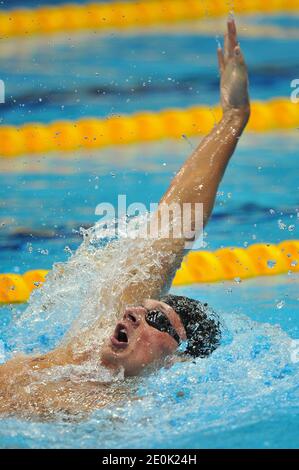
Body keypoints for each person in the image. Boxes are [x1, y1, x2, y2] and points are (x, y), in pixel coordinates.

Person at [0, 18, 250, 418]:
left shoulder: (115, 416)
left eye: (155, 319)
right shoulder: (89, 341)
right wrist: (233, 118)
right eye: (144, 308)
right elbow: (175, 224)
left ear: (175, 361)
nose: (133, 312)